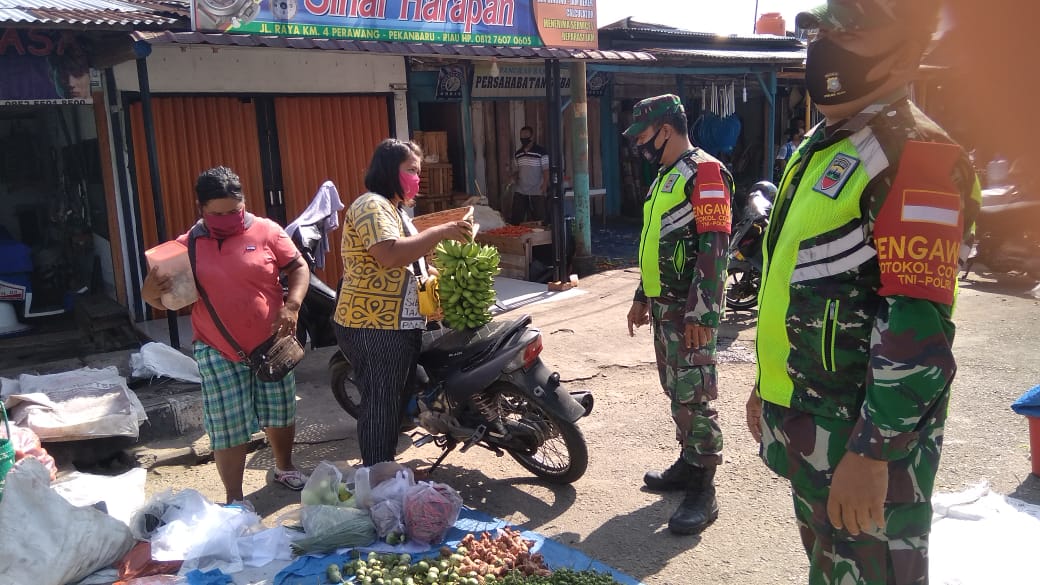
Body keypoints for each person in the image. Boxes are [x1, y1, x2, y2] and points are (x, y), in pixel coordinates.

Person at [745, 2, 981, 582]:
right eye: (819, 32)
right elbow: (794, 285)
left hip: (860, 438)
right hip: (811, 423)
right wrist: (765, 386)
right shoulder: (825, 144)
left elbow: (918, 331)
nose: (821, 46)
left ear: (901, 49)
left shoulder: (917, 157)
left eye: (844, 33)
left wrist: (874, 453)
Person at [142, 166, 311, 504]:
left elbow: (298, 267)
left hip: (272, 343)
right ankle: (235, 498)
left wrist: (292, 305)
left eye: (234, 211)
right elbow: (165, 300)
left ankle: (285, 466)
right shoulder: (184, 247)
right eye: (217, 213)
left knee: (279, 412)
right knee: (228, 426)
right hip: (216, 348)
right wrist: (148, 292)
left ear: (244, 203)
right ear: (200, 208)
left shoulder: (267, 231)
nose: (228, 219)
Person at [623, 94, 733, 535]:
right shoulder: (666, 176)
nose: (640, 144)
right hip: (664, 305)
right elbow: (654, 243)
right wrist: (641, 294)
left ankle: (703, 489)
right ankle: (688, 464)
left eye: (644, 135)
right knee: (677, 388)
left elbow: (715, 247)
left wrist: (701, 316)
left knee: (695, 394)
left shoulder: (704, 172)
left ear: (666, 128)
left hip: (689, 310)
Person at [334, 139, 473, 467]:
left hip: (400, 321)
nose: (416, 178)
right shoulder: (371, 205)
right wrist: (442, 231)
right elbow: (390, 254)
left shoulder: (395, 209)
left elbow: (411, 257)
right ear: (388, 170)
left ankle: (384, 467)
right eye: (410, 170)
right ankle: (378, 477)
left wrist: (438, 274)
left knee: (395, 399)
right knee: (381, 403)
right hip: (372, 323)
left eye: (418, 172)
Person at [510, 126, 550, 225]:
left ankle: (542, 238)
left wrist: (545, 184)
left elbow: (546, 169)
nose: (523, 138)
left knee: (539, 218)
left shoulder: (541, 152)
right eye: (521, 136)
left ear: (532, 137)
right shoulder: (518, 154)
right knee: (516, 217)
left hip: (537, 189)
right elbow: (516, 171)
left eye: (526, 136)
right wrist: (512, 178)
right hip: (521, 190)